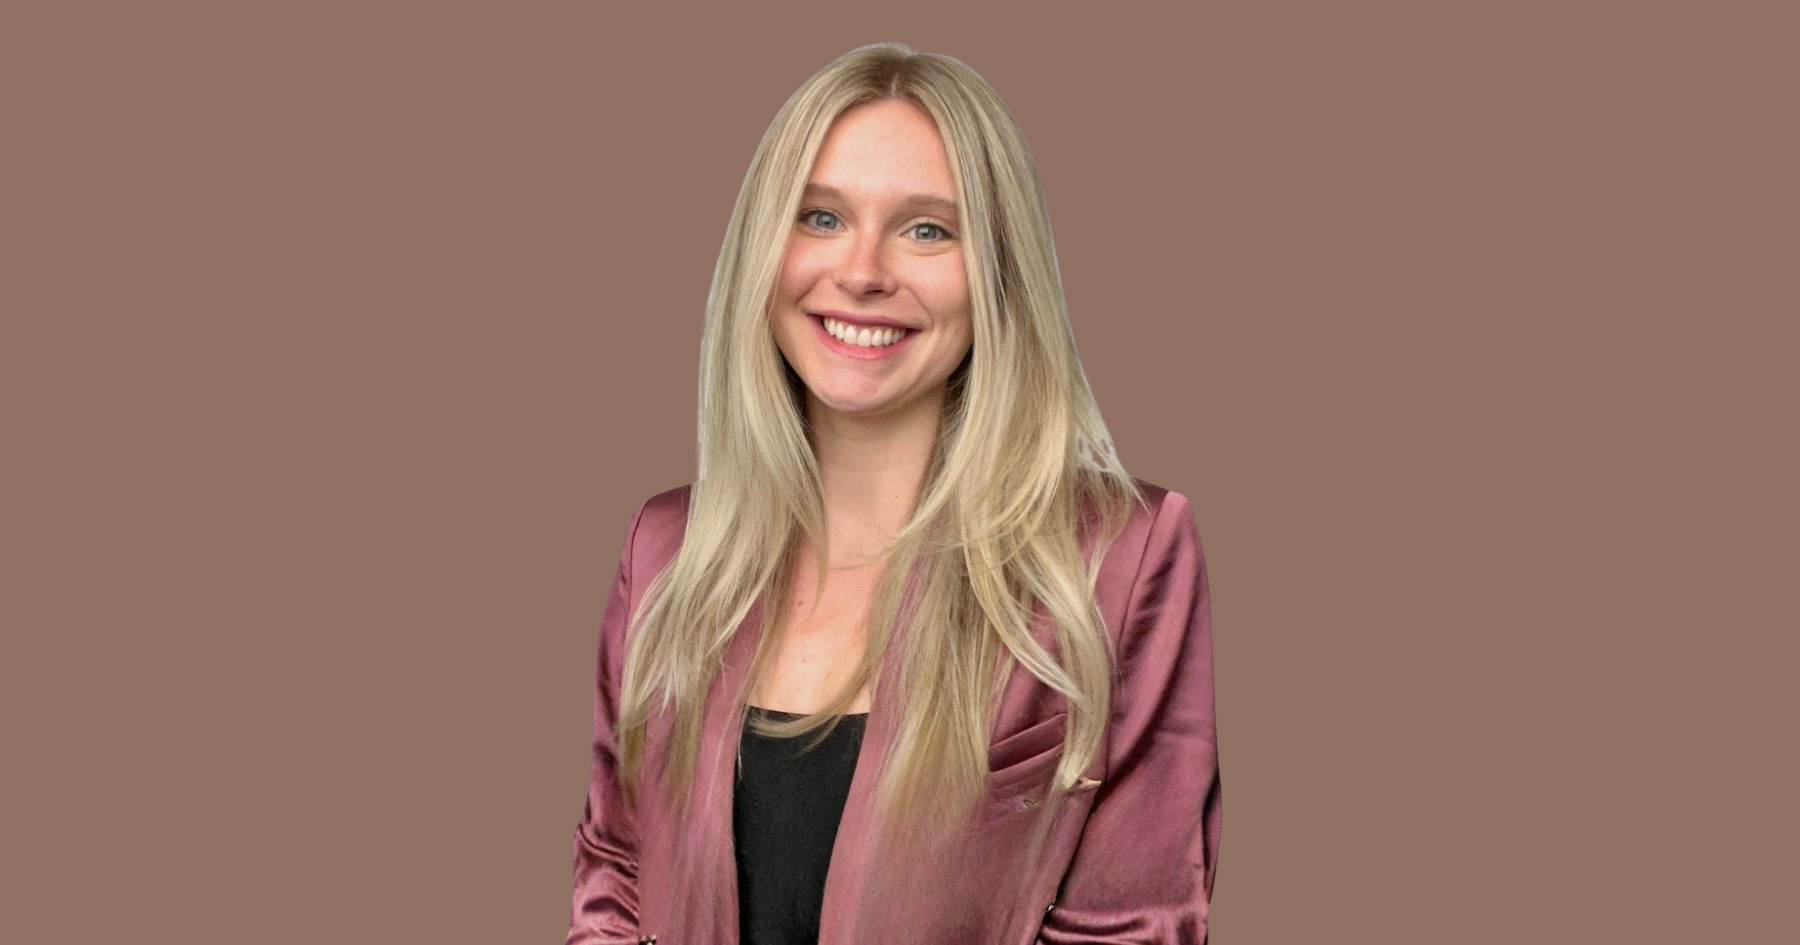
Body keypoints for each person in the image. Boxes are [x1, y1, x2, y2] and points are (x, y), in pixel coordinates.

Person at [568, 42, 1220, 945]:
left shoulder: (1120, 555)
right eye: (822, 217)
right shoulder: (667, 548)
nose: (864, 270)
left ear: (998, 270)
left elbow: (1133, 923)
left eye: (927, 229)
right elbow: (618, 874)